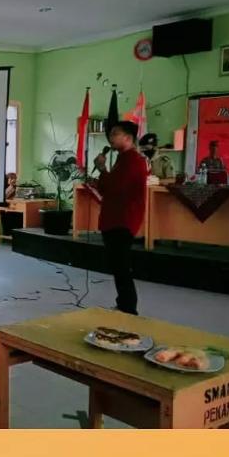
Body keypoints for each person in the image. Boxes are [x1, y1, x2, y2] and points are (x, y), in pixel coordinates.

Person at [93, 121, 149, 315]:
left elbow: (115, 188)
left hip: (122, 220)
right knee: (118, 266)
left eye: (115, 134)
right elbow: (107, 188)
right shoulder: (122, 159)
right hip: (115, 218)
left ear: (128, 137)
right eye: (111, 134)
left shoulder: (133, 160)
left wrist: (102, 169)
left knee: (122, 267)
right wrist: (103, 174)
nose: (111, 137)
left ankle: (128, 308)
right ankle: (124, 304)